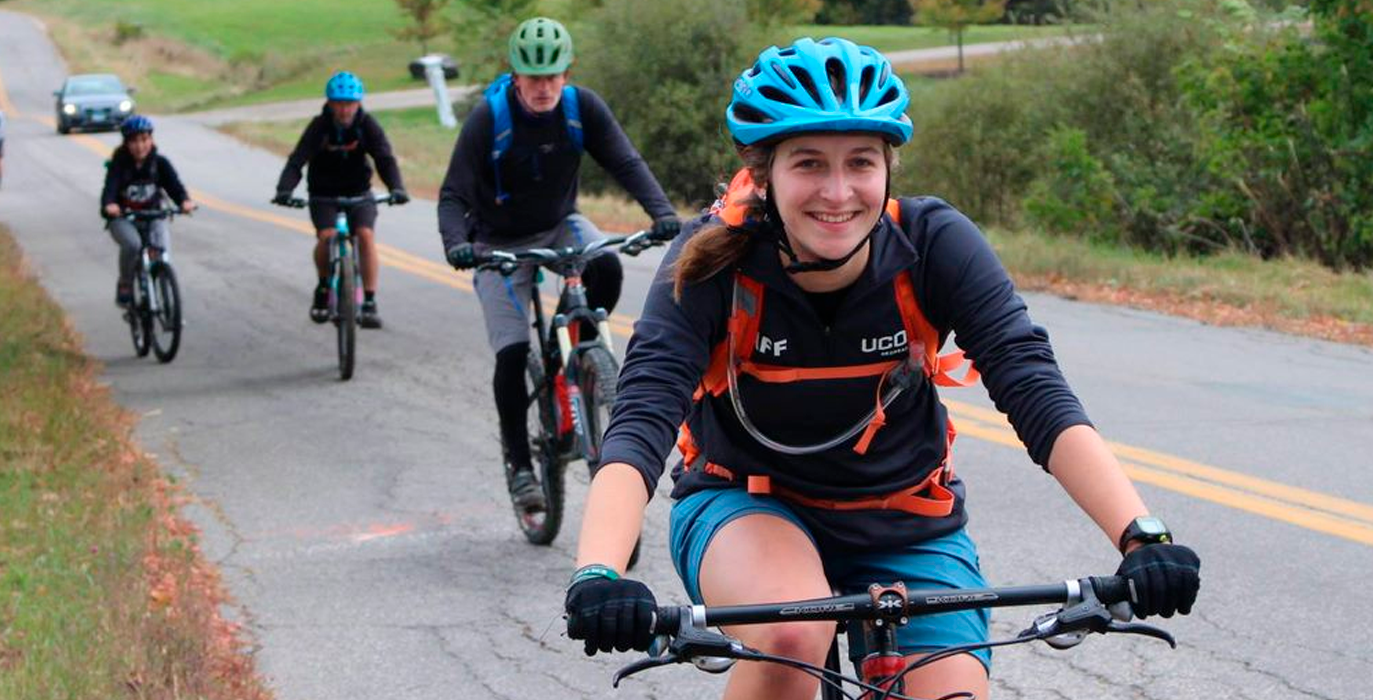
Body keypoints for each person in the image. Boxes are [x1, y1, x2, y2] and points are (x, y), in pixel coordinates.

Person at [562, 38, 1202, 698]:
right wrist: (599, 574)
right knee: (790, 633)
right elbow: (641, 419)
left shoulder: (934, 245)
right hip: (746, 504)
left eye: (860, 163)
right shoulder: (709, 261)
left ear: (888, 168)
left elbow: (1032, 385)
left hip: (905, 516)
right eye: (809, 164)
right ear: (765, 172)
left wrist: (1141, 536)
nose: (837, 193)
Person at [436, 16, 682, 512]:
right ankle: (521, 467)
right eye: (533, 77)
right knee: (510, 354)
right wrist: (457, 242)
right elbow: (452, 193)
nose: (544, 87)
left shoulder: (580, 108)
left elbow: (625, 161)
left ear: (566, 74)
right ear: (516, 75)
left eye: (553, 76)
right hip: (496, 243)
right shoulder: (489, 117)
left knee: (606, 265)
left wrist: (661, 212)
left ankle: (584, 350)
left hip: (558, 224)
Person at [272, 71, 410, 330]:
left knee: (366, 236)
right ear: (330, 103)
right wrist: (284, 190)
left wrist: (397, 188)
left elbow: (384, 158)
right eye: (339, 103)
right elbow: (297, 160)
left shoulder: (366, 124)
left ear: (358, 103)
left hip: (359, 192)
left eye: (350, 103)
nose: (345, 110)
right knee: (327, 236)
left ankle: (369, 301)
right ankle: (324, 286)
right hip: (323, 194)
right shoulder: (319, 126)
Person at [102, 115, 196, 307]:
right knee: (133, 245)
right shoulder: (118, 165)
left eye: (144, 139)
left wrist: (185, 202)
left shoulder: (160, 163)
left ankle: (162, 284)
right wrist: (110, 205)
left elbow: (175, 187)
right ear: (126, 143)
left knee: (162, 251)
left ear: (151, 140)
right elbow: (109, 191)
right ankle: (126, 284)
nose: (140, 146)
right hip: (124, 218)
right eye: (134, 141)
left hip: (154, 215)